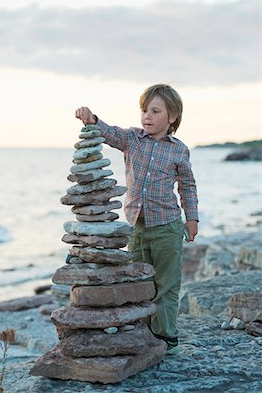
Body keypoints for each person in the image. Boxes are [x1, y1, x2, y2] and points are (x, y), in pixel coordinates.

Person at [75, 83, 199, 353]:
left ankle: (166, 336)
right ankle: (142, 333)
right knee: (139, 282)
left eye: (155, 111)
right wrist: (92, 119)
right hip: (137, 227)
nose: (147, 116)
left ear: (173, 117)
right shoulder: (132, 138)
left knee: (166, 284)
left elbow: (187, 186)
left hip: (167, 226)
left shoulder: (179, 150)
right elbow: (108, 133)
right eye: (144, 110)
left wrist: (192, 218)